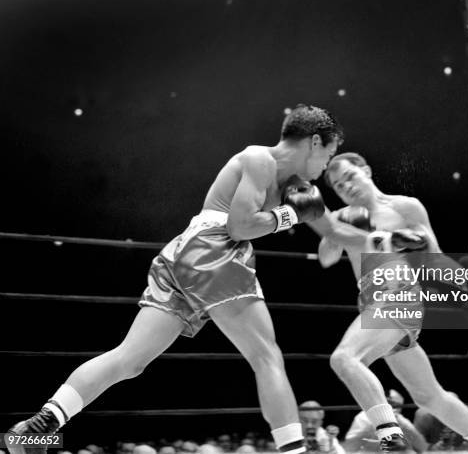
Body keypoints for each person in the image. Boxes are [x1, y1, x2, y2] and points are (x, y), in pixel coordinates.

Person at [6, 105, 363, 454]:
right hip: (215, 248)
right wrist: (288, 216)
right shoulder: (259, 159)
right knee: (266, 356)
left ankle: (34, 431)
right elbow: (240, 225)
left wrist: (389, 239)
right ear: (314, 142)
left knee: (129, 360)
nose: (325, 169)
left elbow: (333, 231)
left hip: (184, 256)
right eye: (329, 157)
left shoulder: (296, 186)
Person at [318, 152, 468, 453]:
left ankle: (390, 437)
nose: (347, 187)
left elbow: (434, 255)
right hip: (370, 302)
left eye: (350, 177)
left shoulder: (405, 206)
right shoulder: (343, 217)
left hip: (399, 295)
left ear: (366, 171)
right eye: (340, 186)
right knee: (428, 395)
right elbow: (326, 259)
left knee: (344, 358)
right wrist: (331, 229)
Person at [344, 389, 427, 453]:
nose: (392, 407)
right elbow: (350, 447)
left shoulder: (401, 421)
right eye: (389, 403)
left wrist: (401, 423)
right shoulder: (364, 416)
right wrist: (377, 423)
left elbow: (422, 447)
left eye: (397, 405)